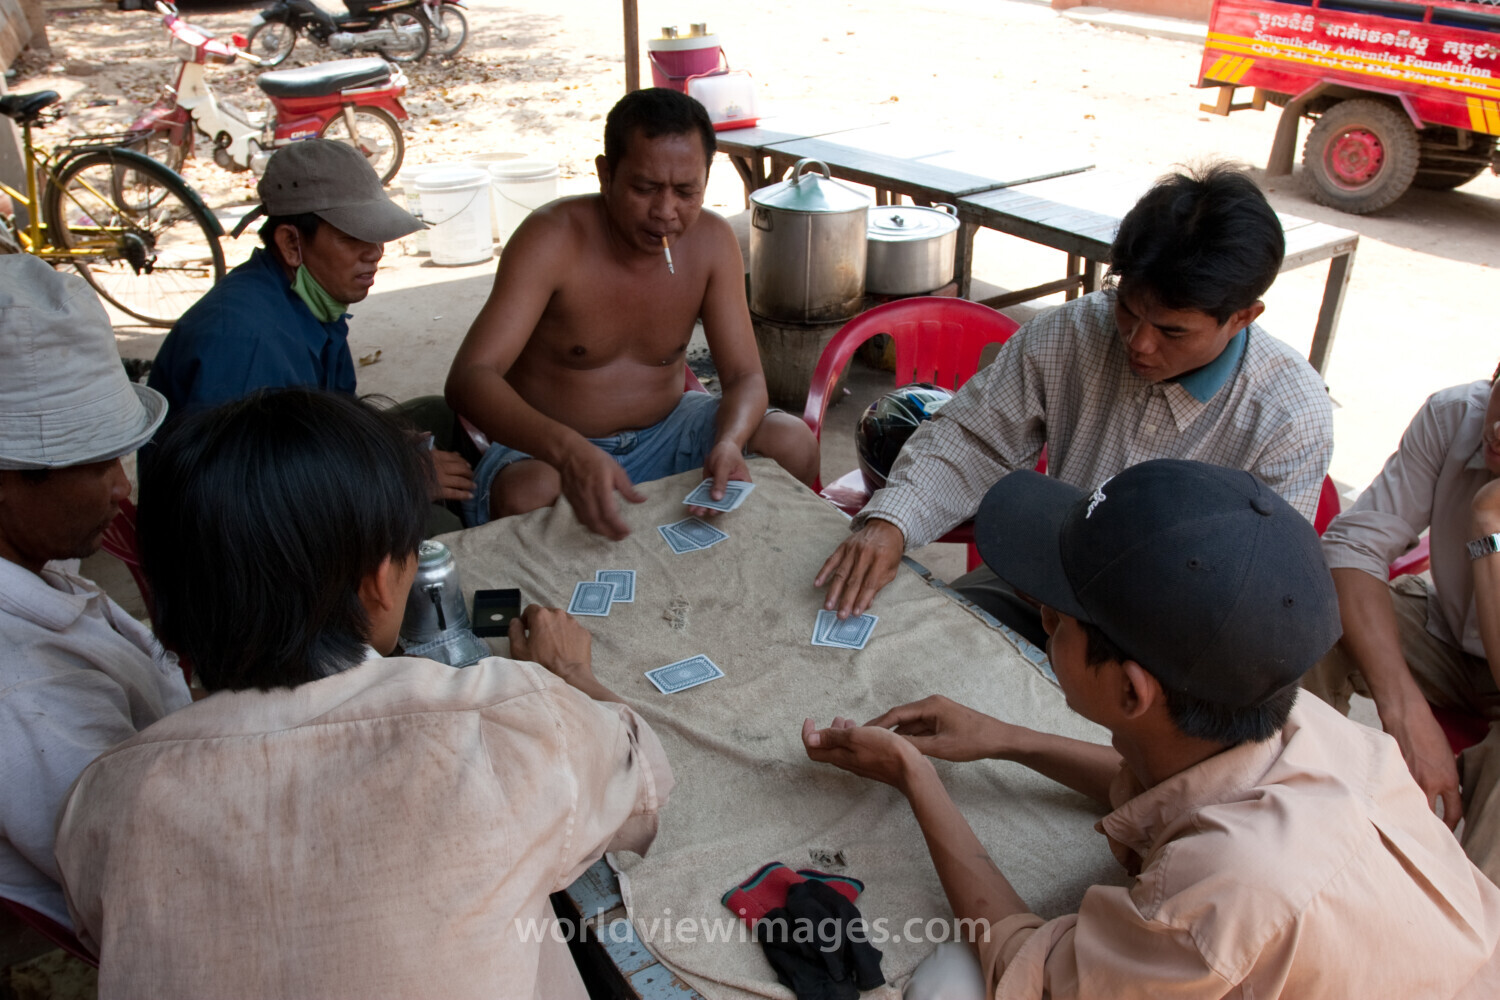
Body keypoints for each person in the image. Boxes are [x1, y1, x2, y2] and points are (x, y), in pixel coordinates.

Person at [54, 389, 673, 997]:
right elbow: (642, 781)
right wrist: (569, 674)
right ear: (381, 581)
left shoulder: (107, 796)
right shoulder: (501, 723)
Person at [803, 459, 1500, 998]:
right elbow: (1173, 790)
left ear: (1132, 690)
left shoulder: (1216, 892)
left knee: (950, 981)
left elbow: (1031, 970)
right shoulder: (1303, 719)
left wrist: (916, 779)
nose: (1043, 621)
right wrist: (1007, 739)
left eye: (1054, 620)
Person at [815, 165, 1332, 646]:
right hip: (1042, 586)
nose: (1139, 343)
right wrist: (893, 522)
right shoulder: (1073, 331)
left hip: (1163, 640)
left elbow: (1251, 589)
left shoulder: (1289, 416)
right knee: (913, 641)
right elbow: (975, 438)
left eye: (1172, 331)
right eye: (1127, 309)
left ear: (1242, 317)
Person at [446, 87, 819, 540]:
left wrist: (729, 441)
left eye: (686, 191)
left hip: (672, 432)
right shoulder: (551, 239)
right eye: (645, 189)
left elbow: (745, 376)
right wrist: (567, 449)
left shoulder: (712, 242)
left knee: (792, 441)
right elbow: (470, 378)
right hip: (550, 445)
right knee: (530, 494)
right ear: (606, 174)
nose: (665, 212)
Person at [146, 139, 474, 533]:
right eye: (352, 237)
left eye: (376, 236)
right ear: (291, 244)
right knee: (431, 531)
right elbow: (247, 503)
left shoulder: (311, 298)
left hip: (295, 467)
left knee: (437, 413)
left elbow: (327, 420)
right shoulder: (246, 341)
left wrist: (384, 447)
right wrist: (394, 479)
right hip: (240, 536)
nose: (375, 253)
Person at [0, 257, 192, 928]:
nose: (122, 486)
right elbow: (155, 871)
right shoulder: (27, 693)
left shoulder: (39, 566)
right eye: (97, 463)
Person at [1307, 367, 1500, 885]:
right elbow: (1352, 547)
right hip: (1446, 634)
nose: (1499, 428)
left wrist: (1490, 525)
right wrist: (1405, 709)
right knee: (1311, 617)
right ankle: (1286, 810)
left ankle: (1465, 917)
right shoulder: (1456, 416)